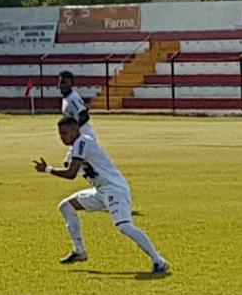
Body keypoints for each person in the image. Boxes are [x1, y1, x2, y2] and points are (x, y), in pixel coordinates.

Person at [33, 117, 170, 274]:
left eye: (64, 133)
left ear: (75, 129)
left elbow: (71, 174)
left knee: (124, 226)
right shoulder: (75, 148)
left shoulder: (82, 142)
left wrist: (48, 169)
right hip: (100, 191)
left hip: (114, 189)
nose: (62, 138)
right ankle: (79, 251)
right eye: (60, 134)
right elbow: (71, 166)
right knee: (66, 206)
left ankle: (159, 261)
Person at [59, 71, 96, 138]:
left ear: (70, 83)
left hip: (85, 136)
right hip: (76, 137)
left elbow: (85, 115)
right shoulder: (66, 98)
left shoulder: (73, 98)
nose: (61, 85)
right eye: (60, 83)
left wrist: (74, 128)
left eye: (63, 83)